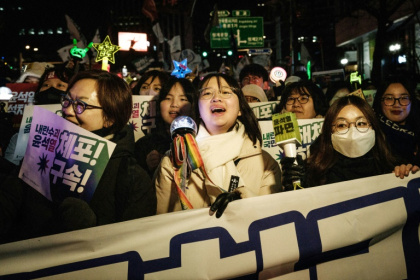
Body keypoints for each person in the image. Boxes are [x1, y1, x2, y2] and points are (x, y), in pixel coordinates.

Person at [0, 70, 156, 243]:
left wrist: (89, 230)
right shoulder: (41, 151)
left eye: (81, 105)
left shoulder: (132, 177)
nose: (67, 110)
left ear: (110, 117)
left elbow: (134, 246)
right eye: (67, 100)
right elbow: (8, 200)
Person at [154, 73, 282, 217]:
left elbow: (271, 220)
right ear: (198, 110)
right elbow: (162, 224)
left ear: (240, 109)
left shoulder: (266, 164)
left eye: (226, 92)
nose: (216, 98)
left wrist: (244, 201)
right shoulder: (174, 162)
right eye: (207, 93)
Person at [281, 95, 418, 190]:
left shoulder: (393, 169)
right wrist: (296, 187)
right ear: (330, 132)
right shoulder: (314, 176)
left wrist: (407, 175)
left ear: (374, 127)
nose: (353, 131)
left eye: (361, 123)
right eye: (341, 125)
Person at [4, 65, 74, 165]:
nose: (51, 89)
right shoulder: (21, 137)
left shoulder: (82, 132)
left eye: (60, 85)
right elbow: (9, 170)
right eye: (46, 85)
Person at [134, 76, 195, 178]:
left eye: (183, 99)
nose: (174, 104)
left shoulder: (201, 141)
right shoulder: (144, 144)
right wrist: (147, 166)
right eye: (168, 98)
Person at [372, 76, 420, 166]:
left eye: (404, 98)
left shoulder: (417, 128)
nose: (397, 104)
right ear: (380, 101)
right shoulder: (372, 134)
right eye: (389, 98)